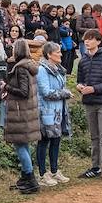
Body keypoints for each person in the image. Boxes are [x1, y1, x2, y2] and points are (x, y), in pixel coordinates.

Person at [75, 29, 102, 180]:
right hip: (89, 102)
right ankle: (95, 167)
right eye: (85, 39)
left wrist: (94, 89)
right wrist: (80, 87)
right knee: (94, 136)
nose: (87, 41)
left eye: (91, 39)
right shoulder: (83, 60)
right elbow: (79, 80)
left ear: (98, 42)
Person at [3, 37, 42, 195]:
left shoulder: (20, 68)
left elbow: (23, 92)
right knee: (23, 145)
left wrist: (6, 86)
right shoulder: (30, 65)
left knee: (20, 146)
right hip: (27, 112)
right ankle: (26, 176)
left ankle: (31, 179)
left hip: (20, 112)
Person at [35, 41, 72, 185]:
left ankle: (54, 171)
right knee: (44, 141)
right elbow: (45, 92)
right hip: (47, 111)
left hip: (58, 111)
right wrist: (65, 93)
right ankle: (42, 174)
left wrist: (64, 93)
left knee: (56, 140)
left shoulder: (58, 69)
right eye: (58, 52)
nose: (61, 54)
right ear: (49, 54)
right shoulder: (42, 70)